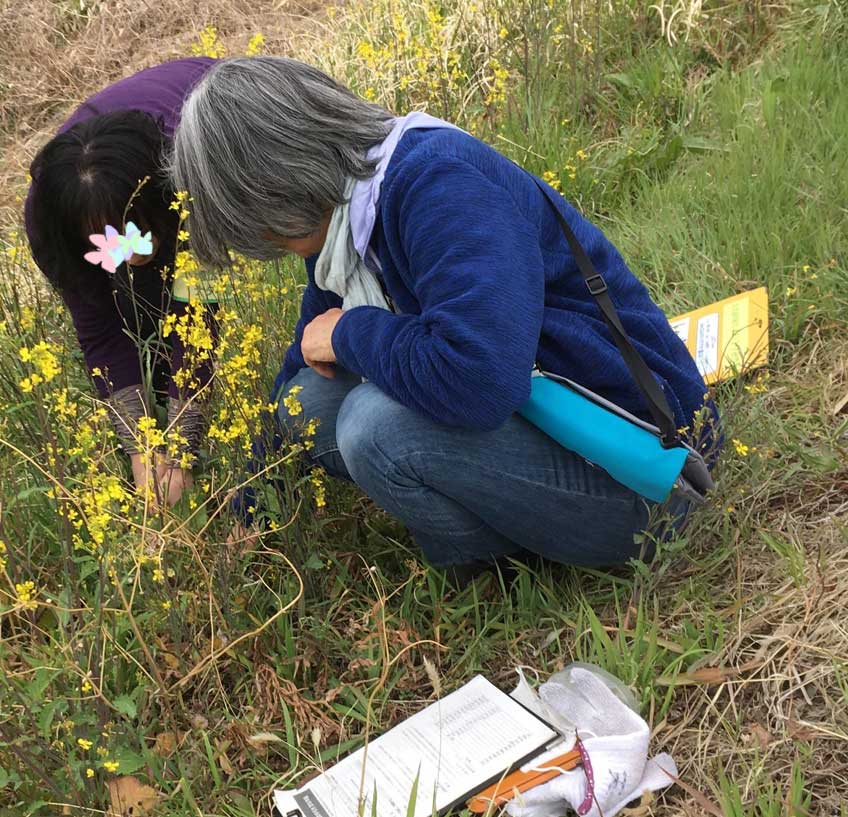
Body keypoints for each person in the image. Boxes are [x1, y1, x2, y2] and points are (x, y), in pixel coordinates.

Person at [170, 56, 720, 577]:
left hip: (644, 469)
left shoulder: (438, 185)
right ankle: (512, 531)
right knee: (305, 403)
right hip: (551, 420)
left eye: (261, 230)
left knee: (371, 425)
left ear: (279, 184)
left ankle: (498, 566)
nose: (275, 247)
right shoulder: (346, 216)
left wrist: (352, 332)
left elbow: (479, 381)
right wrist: (247, 514)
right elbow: (305, 359)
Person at [24, 57, 219, 508]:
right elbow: (99, 330)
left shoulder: (188, 179)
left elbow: (199, 317)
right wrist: (142, 453)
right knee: (135, 322)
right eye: (108, 238)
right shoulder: (50, 221)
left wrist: (183, 451)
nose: (131, 249)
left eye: (139, 231)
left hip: (211, 117)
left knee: (179, 309)